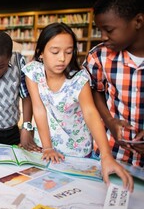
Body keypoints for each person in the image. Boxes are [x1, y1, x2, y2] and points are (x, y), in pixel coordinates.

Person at [23, 22, 133, 191]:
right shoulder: (33, 72)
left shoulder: (79, 79)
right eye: (55, 52)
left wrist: (106, 155)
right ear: (41, 53)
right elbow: (39, 109)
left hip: (77, 150)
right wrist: (47, 147)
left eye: (68, 52)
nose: (62, 58)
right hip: (45, 146)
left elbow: (90, 113)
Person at [83, 0, 144, 168]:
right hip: (111, 155)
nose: (102, 36)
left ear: (138, 22)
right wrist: (109, 121)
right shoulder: (98, 56)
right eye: (99, 30)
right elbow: (95, 90)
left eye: (108, 30)